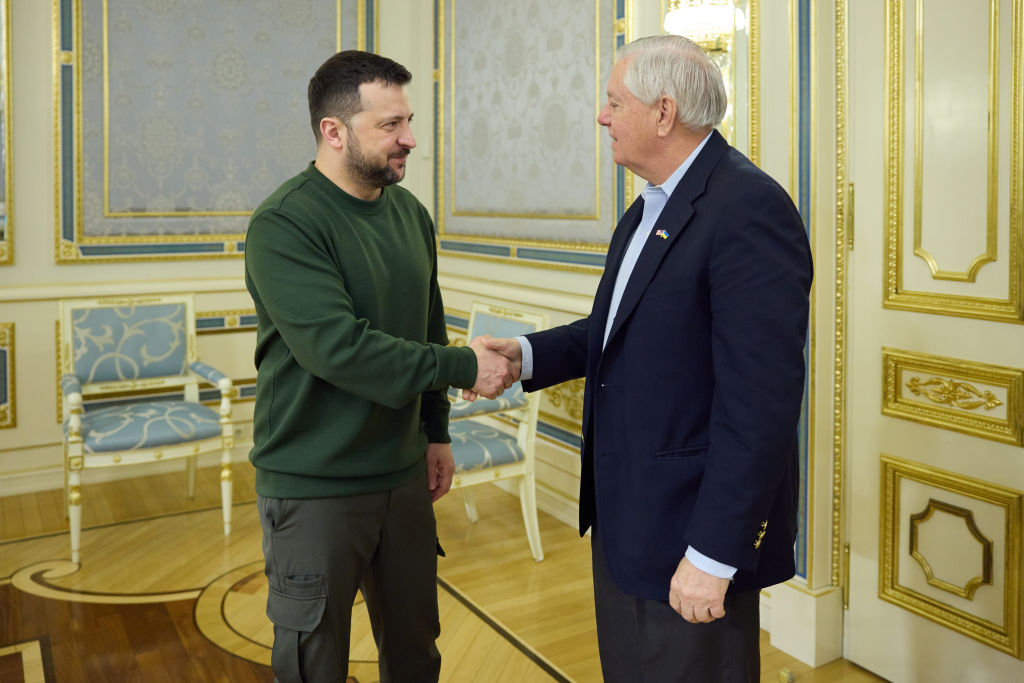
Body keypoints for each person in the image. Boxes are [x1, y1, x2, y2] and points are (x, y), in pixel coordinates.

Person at [472, 35, 812, 681]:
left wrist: (714, 554)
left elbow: (760, 407)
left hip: (691, 537)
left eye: (612, 102)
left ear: (662, 112)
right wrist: (523, 355)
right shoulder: (645, 210)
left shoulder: (748, 208)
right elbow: (614, 331)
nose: (602, 117)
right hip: (628, 525)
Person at [244, 50, 516, 683]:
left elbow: (425, 324)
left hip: (401, 477)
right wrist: (460, 367)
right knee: (315, 661)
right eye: (390, 125)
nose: (409, 139)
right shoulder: (284, 223)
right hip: (314, 486)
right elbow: (338, 348)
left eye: (408, 121)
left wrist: (437, 431)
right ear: (333, 132)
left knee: (416, 648)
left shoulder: (410, 215)